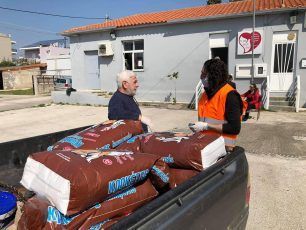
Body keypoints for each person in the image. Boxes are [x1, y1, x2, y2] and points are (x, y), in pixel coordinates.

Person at [189, 59, 244, 151]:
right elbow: (205, 120)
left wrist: (205, 126)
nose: (201, 77)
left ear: (214, 75)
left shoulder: (230, 95)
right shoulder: (205, 95)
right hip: (206, 146)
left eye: (204, 74)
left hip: (224, 149)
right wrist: (198, 128)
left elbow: (234, 128)